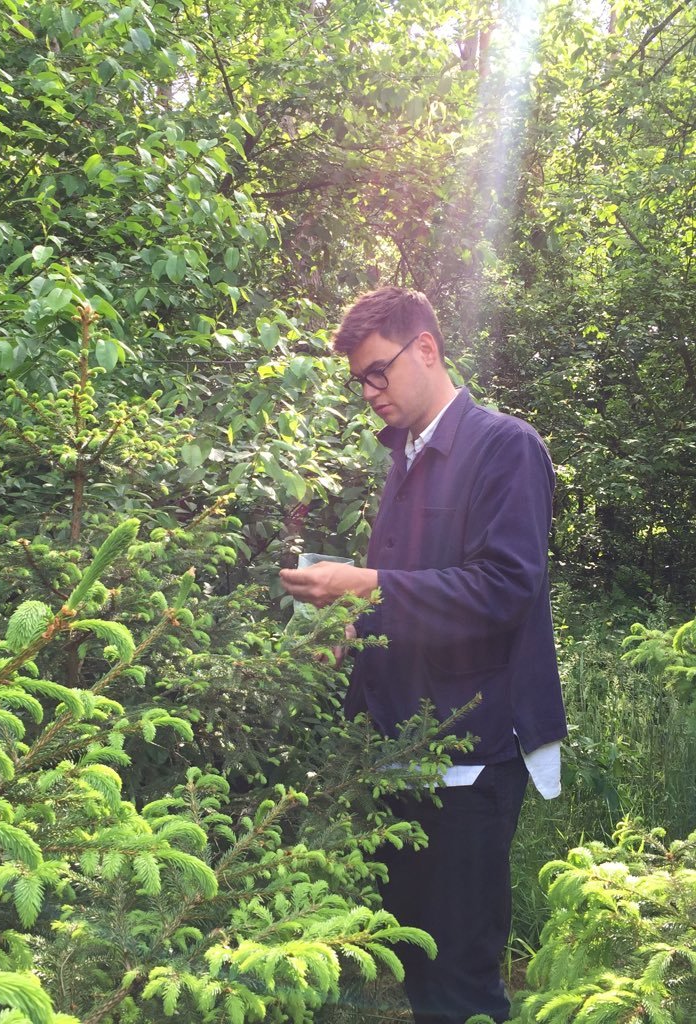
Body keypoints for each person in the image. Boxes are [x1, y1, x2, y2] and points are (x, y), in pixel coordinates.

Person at [279, 286, 567, 1024]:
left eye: (378, 371)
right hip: (399, 748)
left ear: (428, 350)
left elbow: (505, 589)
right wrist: (351, 627)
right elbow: (414, 592)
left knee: (460, 979)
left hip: (469, 756)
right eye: (360, 381)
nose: (369, 391)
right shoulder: (405, 456)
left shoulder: (506, 447)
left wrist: (367, 585)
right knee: (415, 961)